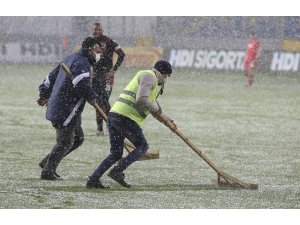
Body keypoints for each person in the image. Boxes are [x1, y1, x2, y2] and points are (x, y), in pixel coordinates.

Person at [86, 60, 176, 189]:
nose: (167, 79)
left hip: (115, 116)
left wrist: (167, 121)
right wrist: (158, 112)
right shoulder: (150, 77)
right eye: (167, 76)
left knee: (116, 153)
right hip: (125, 117)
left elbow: (154, 109)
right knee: (142, 146)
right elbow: (142, 99)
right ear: (163, 74)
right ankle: (117, 171)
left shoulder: (151, 80)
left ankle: (93, 179)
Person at [37, 37, 107, 180]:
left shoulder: (71, 58)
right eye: (98, 51)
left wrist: (44, 93)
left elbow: (49, 79)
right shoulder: (82, 62)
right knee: (65, 142)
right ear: (91, 49)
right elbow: (81, 84)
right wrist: (92, 97)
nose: (99, 54)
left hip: (65, 107)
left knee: (78, 138)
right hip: (65, 108)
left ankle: (47, 162)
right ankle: (48, 172)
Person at [92, 22, 126, 136]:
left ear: (102, 30)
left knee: (104, 100)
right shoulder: (90, 43)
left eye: (98, 29)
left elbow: (122, 54)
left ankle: (111, 127)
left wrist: (114, 70)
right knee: (96, 101)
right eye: (95, 30)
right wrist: (90, 70)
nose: (96, 31)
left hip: (106, 76)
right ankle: (100, 129)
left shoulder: (108, 41)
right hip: (95, 76)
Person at [91, 57, 113, 129]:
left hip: (105, 79)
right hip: (96, 80)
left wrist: (113, 70)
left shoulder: (110, 46)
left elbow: (121, 54)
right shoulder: (94, 51)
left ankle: (108, 127)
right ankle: (102, 128)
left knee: (104, 102)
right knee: (99, 104)